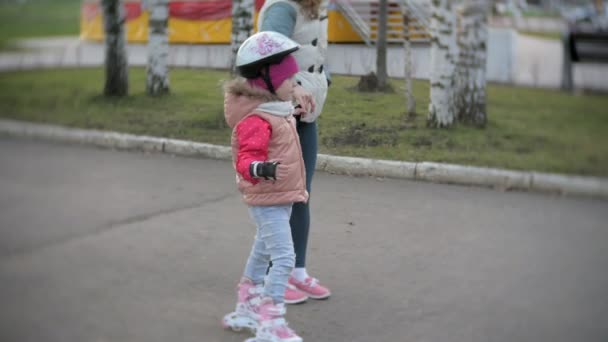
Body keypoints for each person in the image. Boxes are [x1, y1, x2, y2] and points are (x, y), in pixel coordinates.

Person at [221, 31, 307, 342]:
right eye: (289, 80)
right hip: (266, 197)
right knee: (283, 258)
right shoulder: (257, 120)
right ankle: (270, 323)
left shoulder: (275, 111)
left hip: (277, 197)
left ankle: (247, 306)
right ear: (266, 82)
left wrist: (294, 113)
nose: (294, 85)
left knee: (261, 252)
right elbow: (246, 160)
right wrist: (261, 168)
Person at [257, 0, 331, 305]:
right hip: (280, 111)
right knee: (280, 196)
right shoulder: (282, 7)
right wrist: (294, 87)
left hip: (305, 113)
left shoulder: (313, 5)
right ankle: (270, 275)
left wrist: (323, 80)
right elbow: (269, 55)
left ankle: (297, 271)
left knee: (301, 193)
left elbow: (315, 52)